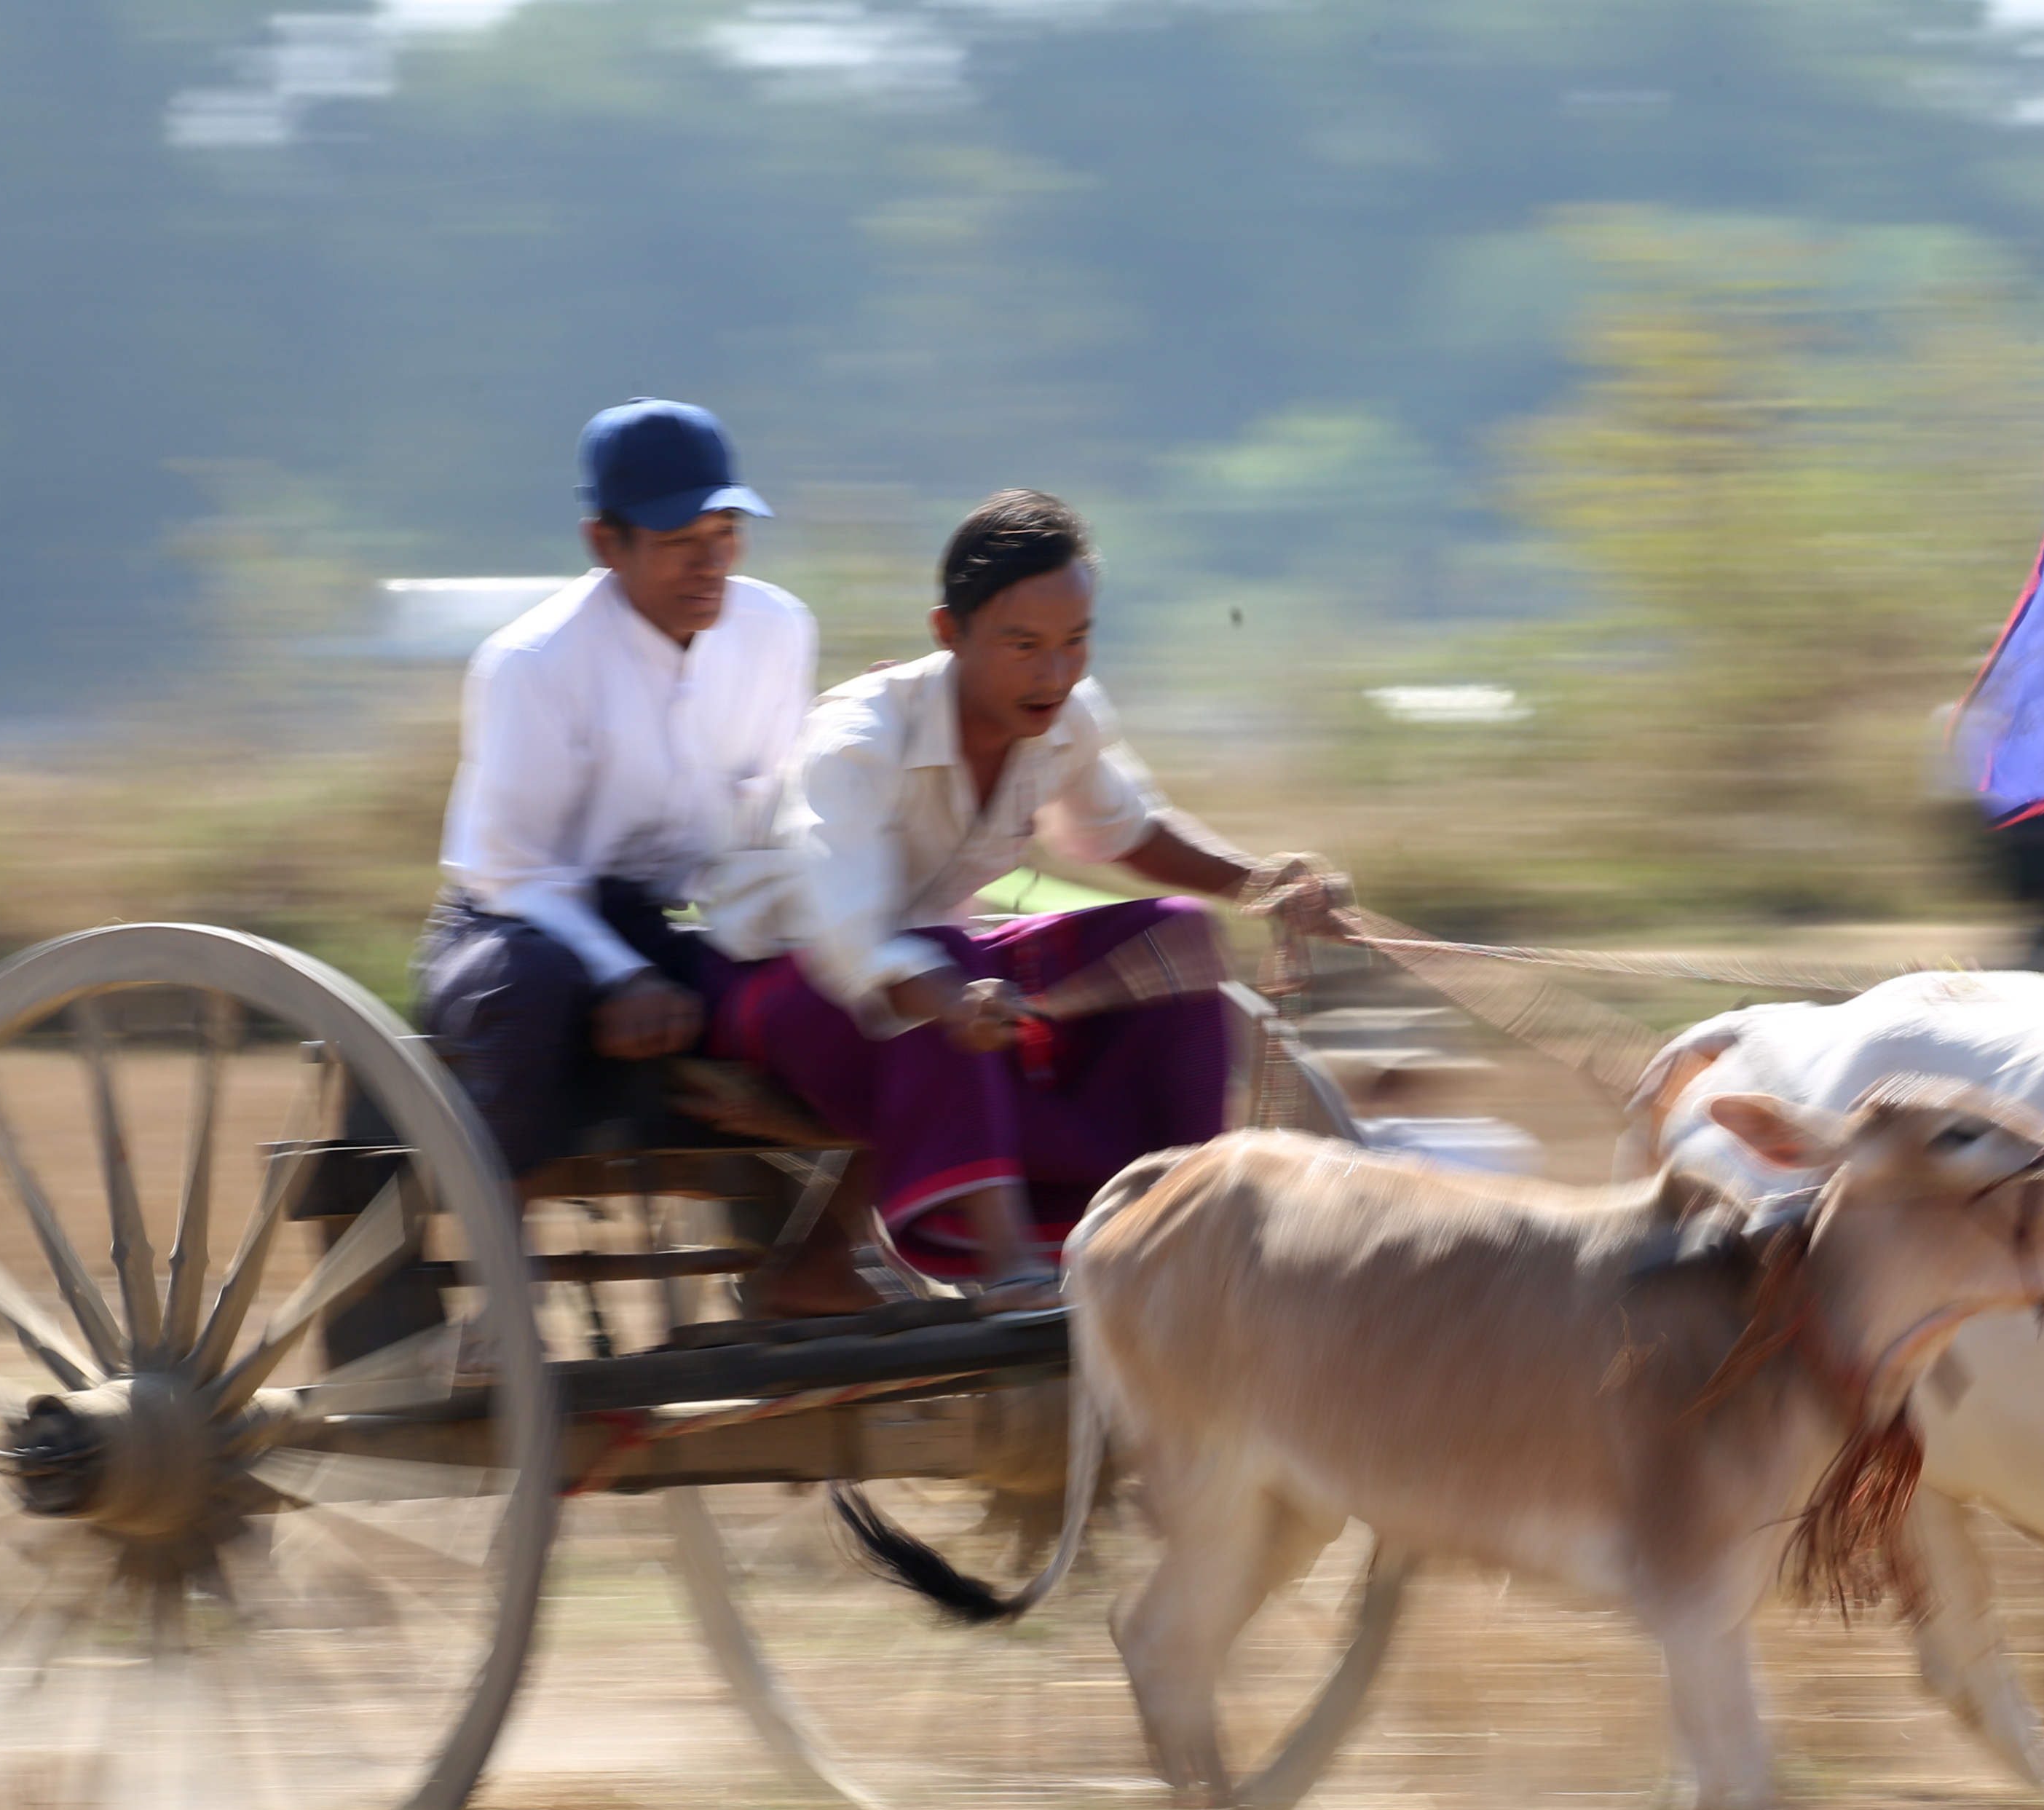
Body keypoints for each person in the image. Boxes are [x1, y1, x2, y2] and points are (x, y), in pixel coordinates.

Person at [708, 489, 1350, 1312]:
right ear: (949, 633)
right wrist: (949, 1000)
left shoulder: (1065, 719)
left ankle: (1185, 1228)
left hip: (943, 979)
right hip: (779, 989)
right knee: (941, 956)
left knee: (1176, 935)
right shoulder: (858, 738)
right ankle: (1010, 1264)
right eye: (1022, 646)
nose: (1054, 674)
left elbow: (1121, 831)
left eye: (1074, 642)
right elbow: (852, 945)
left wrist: (1265, 887)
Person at [414, 398, 818, 1180]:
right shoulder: (532, 663)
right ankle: (503, 1256)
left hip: (659, 923)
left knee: (814, 989)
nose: (711, 564)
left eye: (724, 535)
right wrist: (619, 974)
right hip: (509, 928)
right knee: (535, 987)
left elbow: (767, 826)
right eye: (677, 542)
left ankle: (820, 1251)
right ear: (605, 542)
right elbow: (509, 874)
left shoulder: (778, 630)